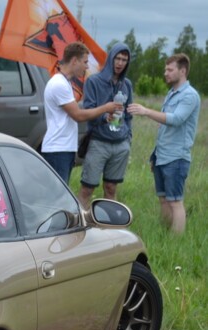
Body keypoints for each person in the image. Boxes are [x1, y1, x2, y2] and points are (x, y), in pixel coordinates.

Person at [129, 53, 201, 234]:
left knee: (175, 201)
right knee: (163, 199)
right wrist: (155, 154)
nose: (165, 73)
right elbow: (164, 129)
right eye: (165, 69)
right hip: (162, 156)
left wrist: (146, 111)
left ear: (182, 71)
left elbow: (176, 120)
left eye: (170, 69)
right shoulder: (171, 93)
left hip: (176, 157)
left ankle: (175, 243)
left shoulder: (190, 96)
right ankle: (165, 234)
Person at [41, 42, 122, 184]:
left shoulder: (64, 82)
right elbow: (78, 115)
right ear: (74, 61)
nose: (86, 66)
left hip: (62, 148)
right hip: (58, 149)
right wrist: (105, 108)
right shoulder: (59, 84)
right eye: (85, 62)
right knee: (58, 196)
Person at [78, 44, 133, 208]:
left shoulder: (127, 84)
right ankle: (79, 224)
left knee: (111, 188)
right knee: (87, 189)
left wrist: (128, 138)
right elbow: (88, 111)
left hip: (120, 144)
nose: (120, 63)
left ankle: (109, 229)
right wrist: (104, 117)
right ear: (111, 58)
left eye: (124, 59)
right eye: (118, 58)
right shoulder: (94, 81)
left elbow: (128, 115)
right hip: (99, 142)